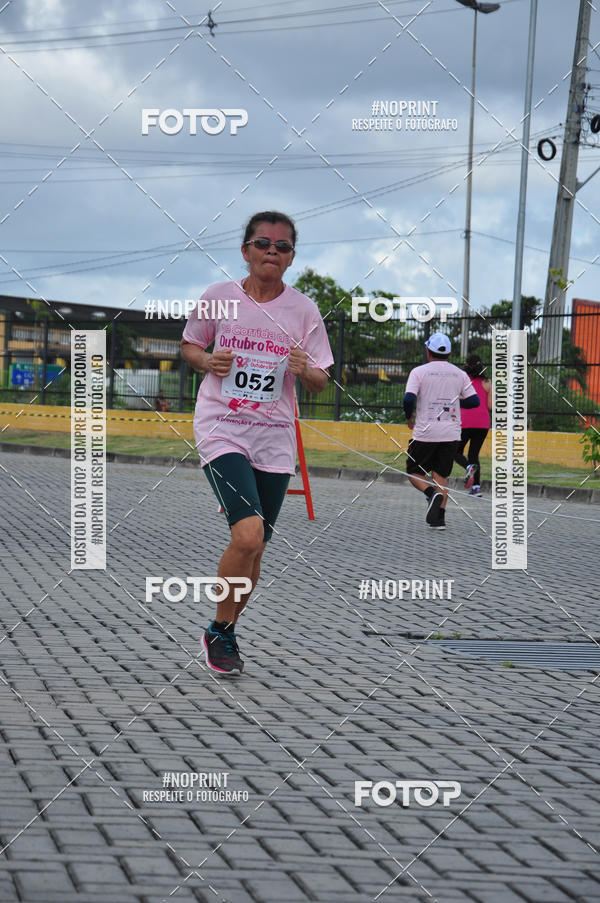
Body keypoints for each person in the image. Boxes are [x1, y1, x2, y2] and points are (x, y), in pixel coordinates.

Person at [181, 211, 334, 675]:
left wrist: (304, 368)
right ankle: (222, 632)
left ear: (291, 259)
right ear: (246, 250)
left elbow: (320, 381)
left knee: (257, 546)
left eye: (282, 246)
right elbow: (189, 347)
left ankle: (222, 629)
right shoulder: (218, 298)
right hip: (221, 426)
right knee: (245, 534)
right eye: (263, 243)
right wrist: (209, 360)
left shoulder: (304, 311)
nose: (272, 251)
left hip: (274, 436)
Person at [403, 333, 480, 530]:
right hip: (451, 434)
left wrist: (408, 417)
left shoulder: (419, 372)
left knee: (413, 471)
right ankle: (439, 520)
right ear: (450, 353)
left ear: (428, 352)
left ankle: (431, 494)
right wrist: (453, 400)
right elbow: (474, 401)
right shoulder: (459, 374)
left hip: (425, 433)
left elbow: (408, 399)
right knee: (440, 475)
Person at [454, 354, 492, 496]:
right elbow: (490, 406)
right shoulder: (488, 382)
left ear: (467, 366)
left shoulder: (462, 381)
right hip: (482, 424)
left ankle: (468, 467)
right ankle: (476, 488)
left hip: (465, 422)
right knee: (474, 455)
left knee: (456, 452)